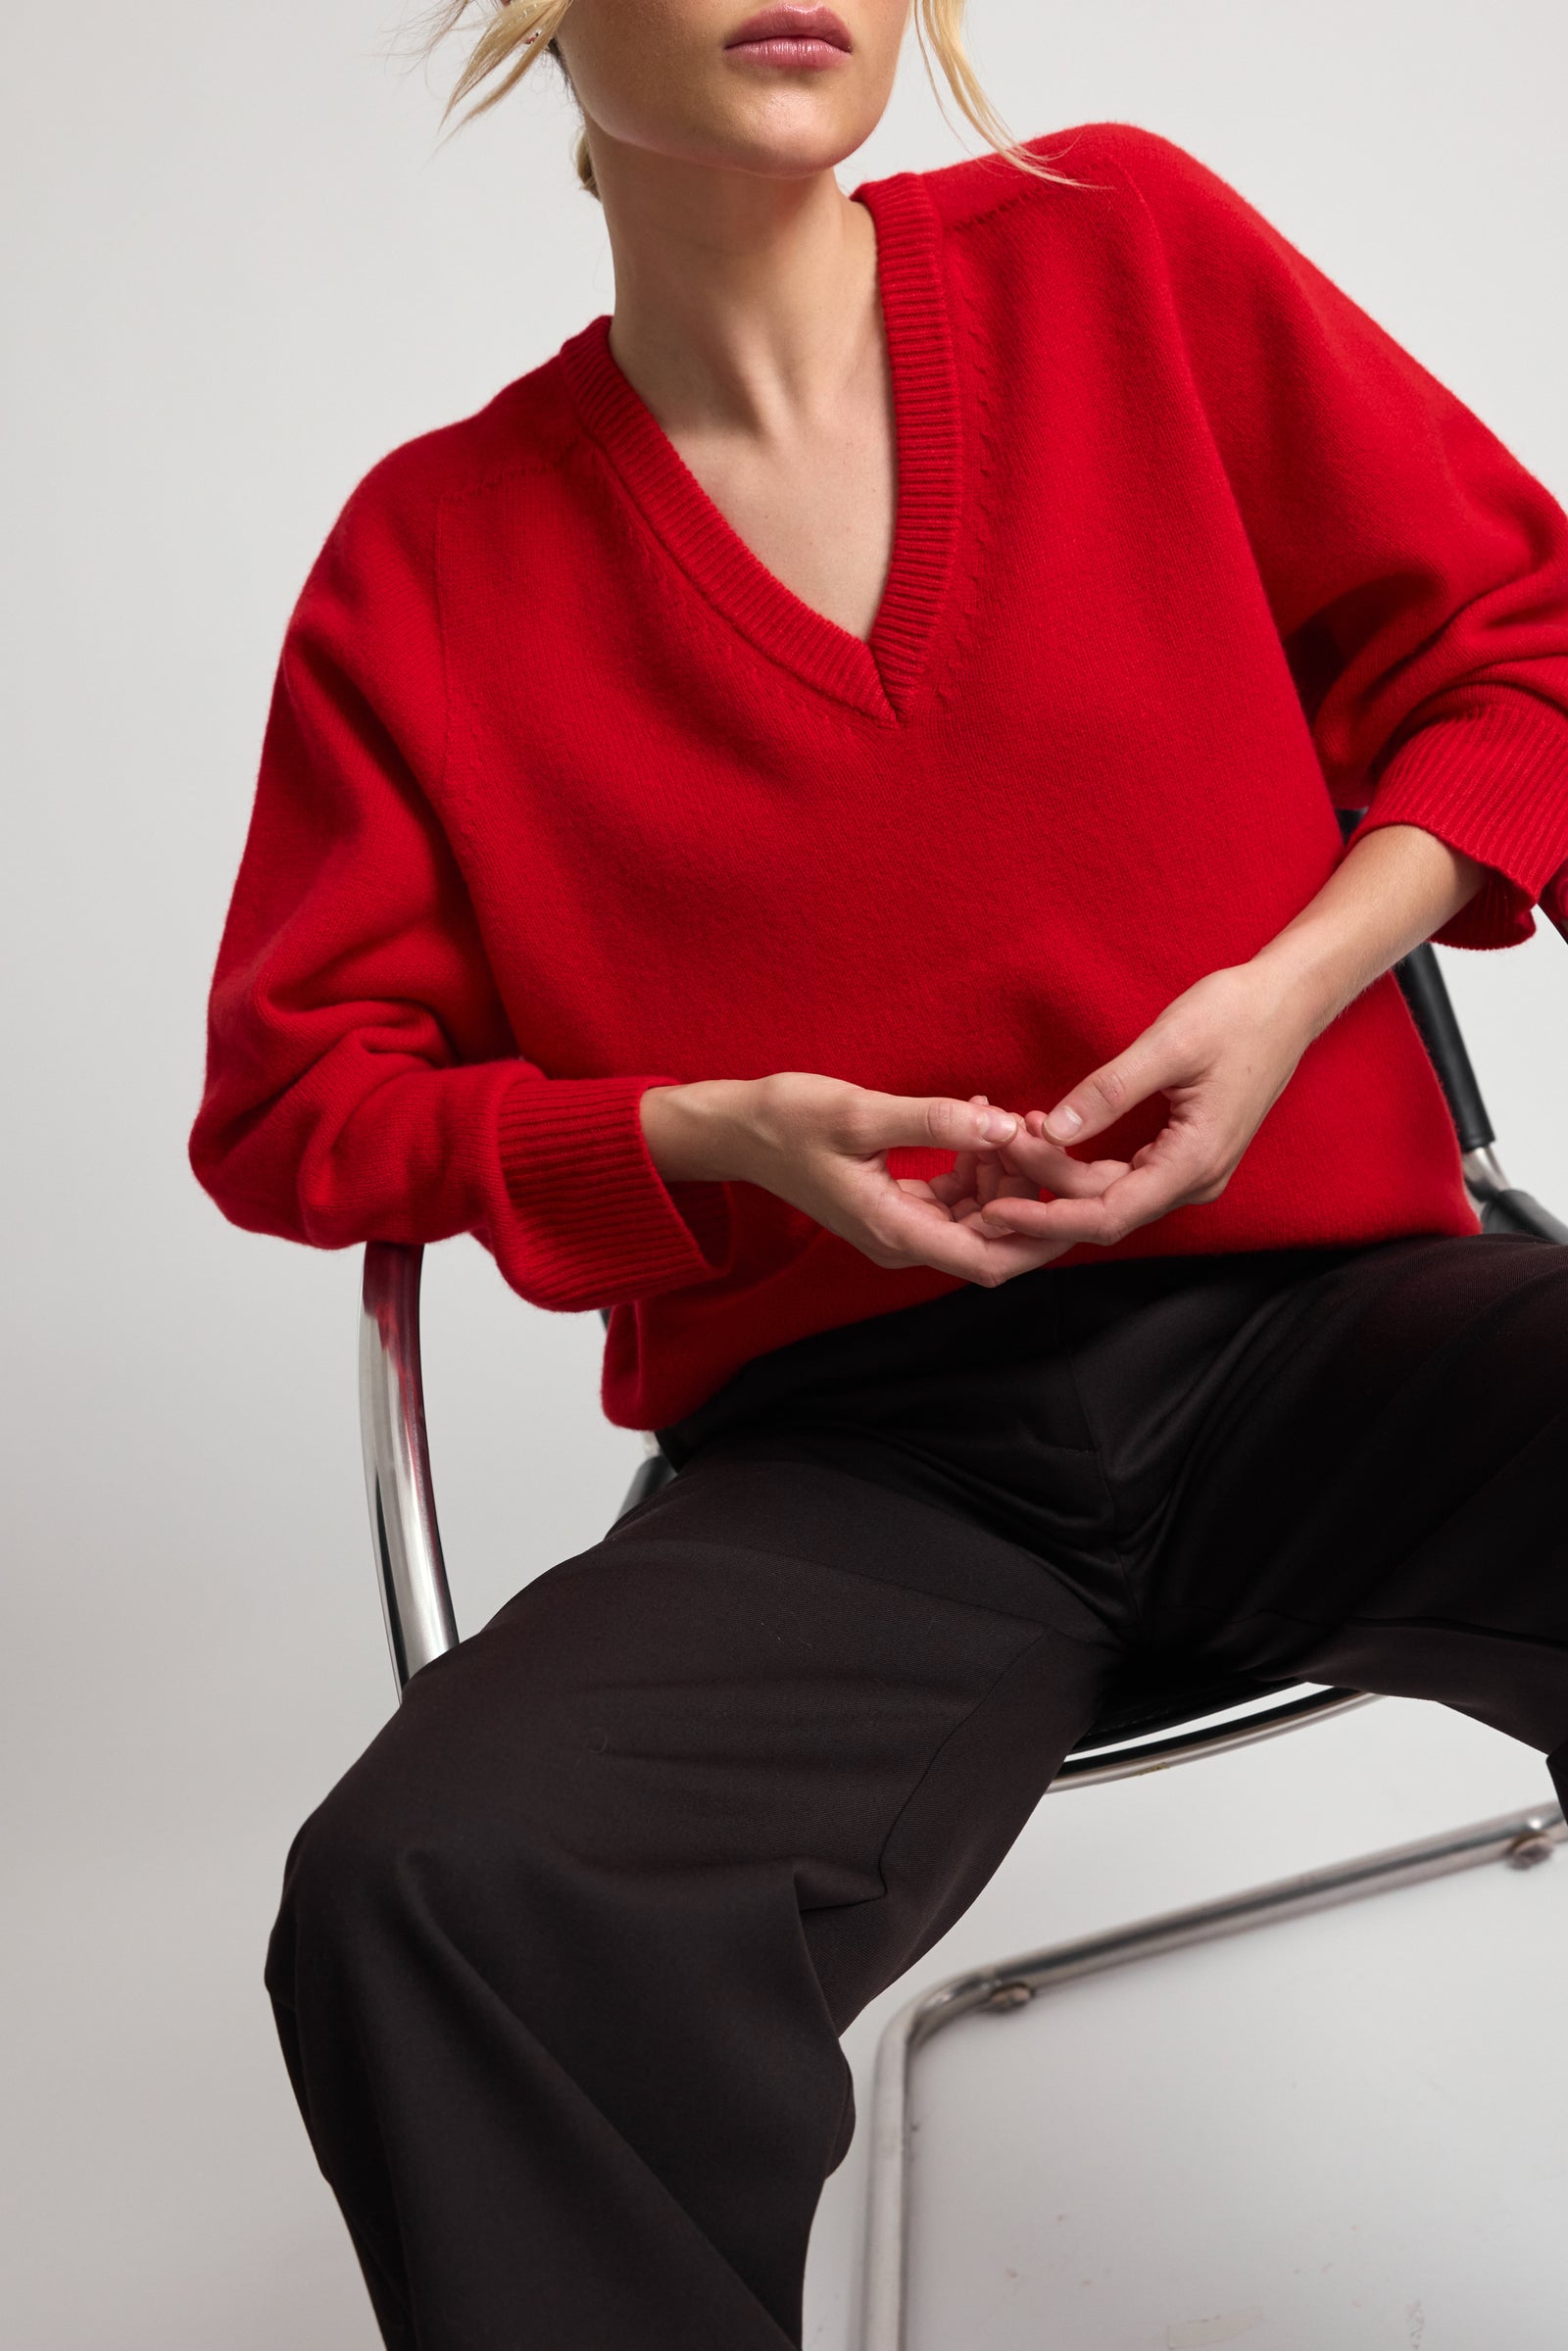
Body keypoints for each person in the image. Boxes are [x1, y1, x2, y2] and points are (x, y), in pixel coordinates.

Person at [190, 4, 1568, 2344]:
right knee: (435, 1887)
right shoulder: (429, 559)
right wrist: (692, 1135)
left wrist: (1294, 985)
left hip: (1324, 1339)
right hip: (858, 1479)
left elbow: (1516, 645)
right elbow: (295, 1101)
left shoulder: (1118, 251)